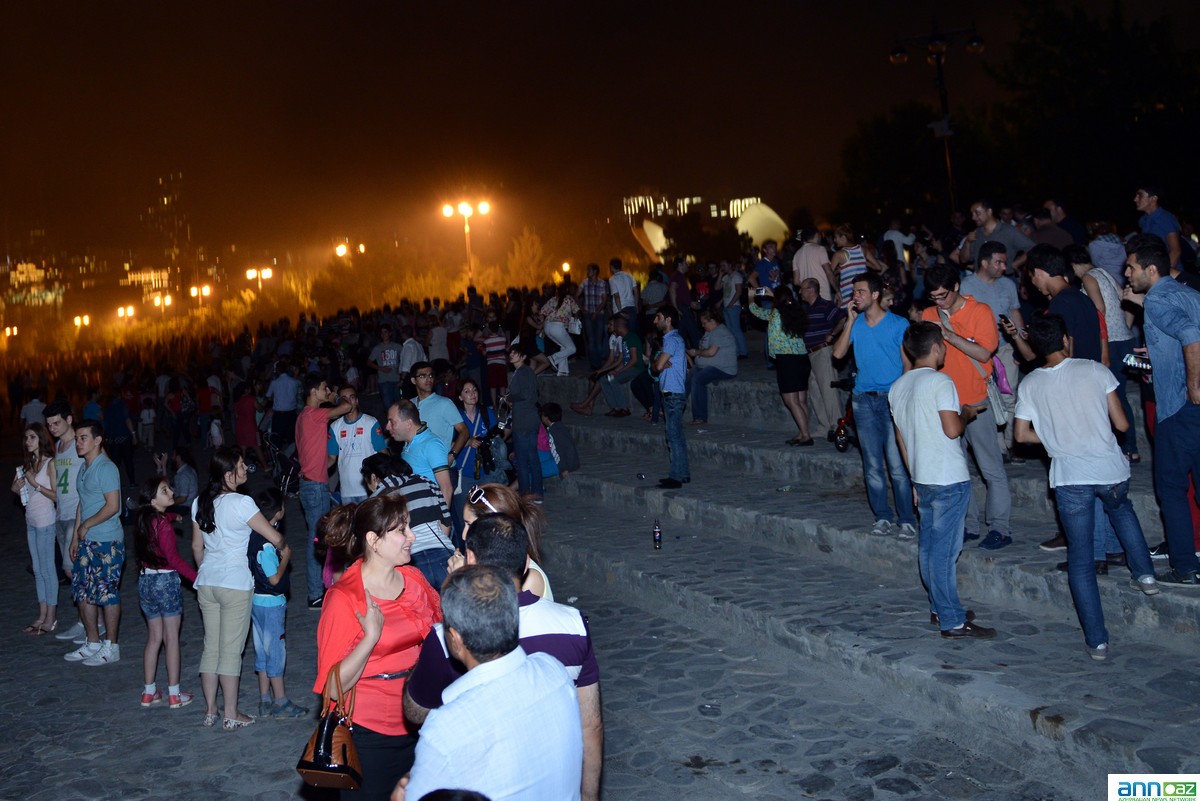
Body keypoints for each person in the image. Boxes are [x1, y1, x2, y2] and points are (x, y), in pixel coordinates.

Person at [406, 512, 601, 801]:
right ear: (525, 562)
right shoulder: (556, 665)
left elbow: (415, 711)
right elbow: (590, 724)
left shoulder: (443, 731)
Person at [1014, 315, 1159, 660]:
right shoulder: (1095, 370)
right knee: (1122, 511)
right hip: (1108, 468)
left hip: (1069, 476)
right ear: (1066, 339)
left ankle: (1097, 642)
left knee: (1080, 559)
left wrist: (1052, 440)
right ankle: (1146, 575)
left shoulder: (1031, 383)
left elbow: (1020, 435)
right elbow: (1122, 423)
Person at [314, 495, 442, 801]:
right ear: (373, 540)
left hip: (423, 723)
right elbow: (331, 688)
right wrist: (370, 637)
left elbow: (441, 635)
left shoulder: (413, 579)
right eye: (401, 530)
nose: (412, 536)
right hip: (371, 737)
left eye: (408, 526)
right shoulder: (344, 598)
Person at [889, 322, 996, 639]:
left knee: (929, 549)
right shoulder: (940, 381)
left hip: (922, 477)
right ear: (937, 347)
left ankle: (939, 607)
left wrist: (912, 480)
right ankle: (951, 619)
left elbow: (901, 440)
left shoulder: (897, 387)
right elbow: (953, 429)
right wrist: (967, 412)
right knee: (945, 554)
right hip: (948, 478)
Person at [1122, 233, 1200, 587]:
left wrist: (1193, 387)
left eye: (1131, 268)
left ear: (1150, 270)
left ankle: (1185, 566)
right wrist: (1157, 356)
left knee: (1170, 488)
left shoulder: (1156, 299)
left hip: (1178, 406)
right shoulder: (1191, 293)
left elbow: (1190, 335)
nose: (1126, 274)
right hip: (1192, 406)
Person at [192, 447, 288, 729]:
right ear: (228, 474)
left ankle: (210, 709)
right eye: (241, 465)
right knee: (232, 650)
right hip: (234, 582)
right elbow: (273, 536)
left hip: (207, 581)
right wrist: (283, 549)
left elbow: (197, 548)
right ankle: (231, 712)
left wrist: (209, 569)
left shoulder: (200, 502)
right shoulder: (242, 503)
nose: (246, 468)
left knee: (211, 647)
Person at [922, 262, 1013, 550]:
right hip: (945, 404)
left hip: (976, 401)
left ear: (956, 287)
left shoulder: (980, 311)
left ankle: (1000, 527)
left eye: (943, 295)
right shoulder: (928, 314)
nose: (938, 302)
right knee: (958, 470)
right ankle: (968, 525)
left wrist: (949, 335)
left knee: (990, 469)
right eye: (933, 297)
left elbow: (985, 352)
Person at [832, 274, 916, 537]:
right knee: (872, 464)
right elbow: (837, 353)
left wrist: (901, 397)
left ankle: (906, 519)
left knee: (896, 464)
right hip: (862, 401)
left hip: (890, 400)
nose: (855, 296)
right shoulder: (856, 325)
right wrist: (849, 322)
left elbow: (908, 364)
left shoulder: (898, 324)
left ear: (876, 295)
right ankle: (882, 516)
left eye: (860, 292)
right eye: (854, 292)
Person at [63, 421, 125, 666]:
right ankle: (93, 643)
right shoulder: (84, 468)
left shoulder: (106, 468)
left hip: (107, 540)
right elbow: (82, 502)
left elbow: (113, 506)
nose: (78, 442)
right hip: (87, 540)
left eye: (83, 438)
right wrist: (76, 536)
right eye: (77, 438)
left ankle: (112, 646)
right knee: (82, 591)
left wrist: (87, 525)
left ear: (98, 440)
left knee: (106, 594)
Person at [132, 474, 197, 709]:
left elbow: (159, 517)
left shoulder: (142, 519)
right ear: (152, 500)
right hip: (166, 583)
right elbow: (176, 561)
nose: (171, 492)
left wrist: (173, 515)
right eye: (164, 491)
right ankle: (174, 693)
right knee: (171, 639)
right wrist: (198, 580)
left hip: (145, 582)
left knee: (154, 638)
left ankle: (149, 692)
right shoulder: (165, 529)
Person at [960, 242, 1025, 458]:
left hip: (1005, 348)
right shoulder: (967, 286)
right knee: (988, 398)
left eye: (1005, 262)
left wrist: (1021, 343)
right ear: (985, 262)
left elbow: (1015, 313)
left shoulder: (1007, 285)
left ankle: (1011, 443)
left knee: (1010, 396)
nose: (1003, 267)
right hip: (979, 351)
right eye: (998, 262)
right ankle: (998, 447)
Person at [247, 487, 307, 718]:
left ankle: (264, 699)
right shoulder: (268, 544)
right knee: (276, 653)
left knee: (261, 649)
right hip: (272, 604)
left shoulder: (253, 536)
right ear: (279, 512)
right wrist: (286, 558)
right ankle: (280, 700)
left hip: (256, 601)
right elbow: (274, 578)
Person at [297, 373, 353, 609]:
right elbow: (346, 406)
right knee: (316, 539)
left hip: (309, 484)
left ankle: (319, 588)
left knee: (317, 536)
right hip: (316, 486)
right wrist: (336, 395)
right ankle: (315, 593)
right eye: (323, 387)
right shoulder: (314, 414)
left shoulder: (303, 417)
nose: (326, 390)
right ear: (313, 392)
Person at [750, 286, 812, 445]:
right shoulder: (796, 312)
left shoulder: (775, 314)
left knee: (791, 401)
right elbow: (786, 303)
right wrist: (775, 296)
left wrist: (751, 297)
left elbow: (756, 311)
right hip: (802, 359)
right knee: (801, 400)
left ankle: (806, 436)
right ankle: (804, 432)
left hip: (788, 361)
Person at [15, 422, 58, 635]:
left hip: (45, 522)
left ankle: (51, 617)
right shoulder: (28, 464)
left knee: (48, 570)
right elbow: (20, 491)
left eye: (31, 437)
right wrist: (18, 486)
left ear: (40, 438)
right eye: (26, 438)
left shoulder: (50, 463)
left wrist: (36, 484)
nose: (28, 441)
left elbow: (57, 495)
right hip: (30, 522)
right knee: (38, 570)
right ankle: (41, 614)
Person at [797, 278, 847, 442]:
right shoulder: (807, 309)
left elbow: (842, 318)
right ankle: (824, 426)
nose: (799, 292)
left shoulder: (825, 305)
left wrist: (832, 334)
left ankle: (837, 427)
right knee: (815, 391)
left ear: (811, 290)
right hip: (809, 354)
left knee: (828, 390)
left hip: (823, 351)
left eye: (802, 289)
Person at [386, 399, 455, 510]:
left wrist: (443, 524)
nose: (387, 427)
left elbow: (446, 488)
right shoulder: (408, 443)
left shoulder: (431, 445)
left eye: (392, 422)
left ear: (408, 423)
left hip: (431, 519)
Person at [329, 384, 387, 505]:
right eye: (344, 398)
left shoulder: (370, 422)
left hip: (369, 489)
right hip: (346, 490)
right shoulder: (335, 427)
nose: (348, 401)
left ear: (357, 400)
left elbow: (383, 453)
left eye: (351, 397)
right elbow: (331, 458)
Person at [653, 305, 689, 489]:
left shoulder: (672, 340)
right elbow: (660, 365)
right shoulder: (672, 340)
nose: (655, 321)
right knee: (677, 435)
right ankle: (682, 473)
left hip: (673, 393)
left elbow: (657, 367)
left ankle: (676, 477)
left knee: (673, 436)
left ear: (668, 319)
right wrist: (660, 363)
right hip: (673, 392)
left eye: (658, 317)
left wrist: (658, 362)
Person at [685, 308, 738, 425]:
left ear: (712, 321)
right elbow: (704, 347)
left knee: (698, 379)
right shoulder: (711, 332)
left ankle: (700, 417)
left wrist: (696, 353)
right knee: (692, 373)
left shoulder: (720, 332)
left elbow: (710, 352)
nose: (703, 326)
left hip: (724, 369)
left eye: (704, 323)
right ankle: (678, 405)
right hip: (711, 366)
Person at [506, 341, 544, 500]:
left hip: (524, 419)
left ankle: (527, 493)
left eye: (515, 353)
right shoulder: (527, 372)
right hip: (528, 418)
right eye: (510, 353)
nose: (511, 355)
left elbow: (524, 394)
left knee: (523, 460)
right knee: (531, 457)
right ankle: (535, 492)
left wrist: (509, 397)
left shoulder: (523, 372)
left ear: (523, 356)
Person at [1135, 184, 1183, 269]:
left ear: (1153, 199)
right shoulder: (1143, 220)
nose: (1135, 199)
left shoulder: (1166, 218)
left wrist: (1164, 276)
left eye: (1140, 196)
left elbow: (1176, 250)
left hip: (1169, 272)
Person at [541, 283, 581, 376]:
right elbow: (577, 311)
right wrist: (575, 318)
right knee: (572, 348)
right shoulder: (569, 299)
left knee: (564, 346)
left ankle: (563, 371)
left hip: (547, 326)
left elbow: (542, 311)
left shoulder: (553, 299)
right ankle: (553, 358)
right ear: (566, 291)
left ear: (557, 291)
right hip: (558, 327)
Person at [577, 263, 610, 369]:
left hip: (599, 315)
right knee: (591, 340)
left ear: (595, 271)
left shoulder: (602, 283)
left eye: (589, 270)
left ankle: (598, 364)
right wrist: (582, 309)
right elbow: (576, 296)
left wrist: (595, 313)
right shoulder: (584, 283)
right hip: (588, 315)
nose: (587, 272)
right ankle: (594, 364)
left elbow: (604, 300)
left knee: (598, 340)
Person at [369, 326, 403, 411]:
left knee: (399, 404)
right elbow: (369, 362)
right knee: (388, 405)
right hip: (384, 380)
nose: (384, 334)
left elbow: (405, 358)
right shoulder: (377, 348)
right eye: (382, 332)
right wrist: (380, 368)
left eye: (386, 332)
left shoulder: (397, 346)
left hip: (396, 379)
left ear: (390, 333)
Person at [608, 257, 640, 333]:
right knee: (632, 333)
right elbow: (636, 291)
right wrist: (636, 306)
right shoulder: (629, 275)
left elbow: (616, 296)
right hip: (631, 307)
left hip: (620, 308)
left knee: (621, 334)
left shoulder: (612, 279)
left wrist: (620, 312)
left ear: (612, 267)